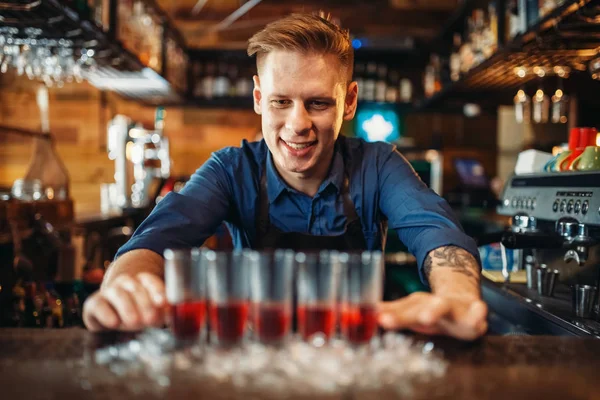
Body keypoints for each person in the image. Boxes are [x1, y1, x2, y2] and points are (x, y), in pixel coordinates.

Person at [83, 13, 488, 340]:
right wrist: (127, 289)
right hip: (257, 360)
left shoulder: (379, 166)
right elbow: (152, 243)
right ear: (259, 99)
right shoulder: (231, 170)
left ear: (349, 102)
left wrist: (456, 296)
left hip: (355, 359)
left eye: (317, 103)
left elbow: (438, 234)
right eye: (281, 102)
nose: (298, 124)